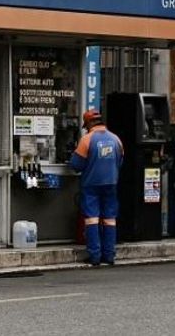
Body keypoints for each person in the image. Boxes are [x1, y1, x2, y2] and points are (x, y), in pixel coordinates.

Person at [69, 108, 123, 266]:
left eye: (85, 125)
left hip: (91, 185)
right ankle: (109, 255)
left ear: (89, 123)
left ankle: (95, 256)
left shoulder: (87, 140)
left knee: (92, 219)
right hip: (111, 183)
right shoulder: (116, 139)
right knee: (110, 219)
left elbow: (76, 165)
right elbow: (120, 161)